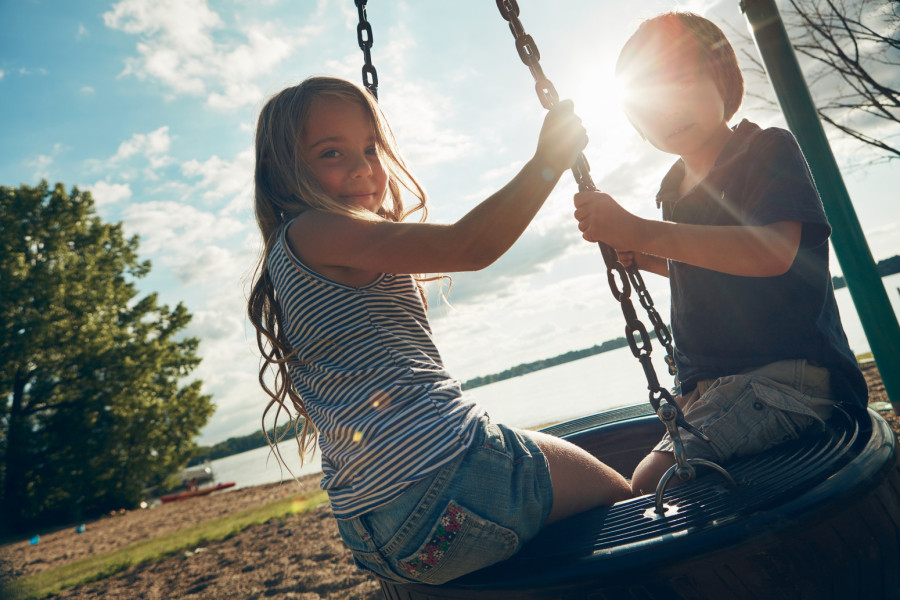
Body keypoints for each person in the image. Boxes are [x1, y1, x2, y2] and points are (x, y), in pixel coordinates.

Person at [247, 76, 631, 586]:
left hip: (378, 534)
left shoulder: (287, 256)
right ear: (279, 171)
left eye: (370, 148)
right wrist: (549, 160)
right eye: (331, 153)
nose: (363, 167)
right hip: (450, 478)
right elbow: (472, 246)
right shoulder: (318, 228)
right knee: (622, 500)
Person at [572, 12, 868, 497]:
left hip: (790, 379)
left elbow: (769, 254)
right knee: (641, 461)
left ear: (723, 80)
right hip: (719, 385)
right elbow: (709, 271)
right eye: (650, 105)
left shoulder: (764, 150)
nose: (669, 112)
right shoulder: (673, 189)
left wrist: (642, 229)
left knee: (651, 484)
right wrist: (642, 254)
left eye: (683, 86)